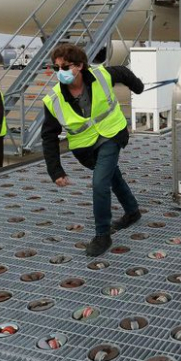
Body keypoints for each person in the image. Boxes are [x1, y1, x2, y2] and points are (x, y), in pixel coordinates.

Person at [41, 44, 144, 257]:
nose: (60, 72)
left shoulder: (101, 75)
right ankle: (132, 212)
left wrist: (138, 87)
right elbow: (49, 136)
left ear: (80, 65)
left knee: (100, 183)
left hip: (111, 134)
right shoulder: (53, 100)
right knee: (112, 176)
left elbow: (123, 72)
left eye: (65, 67)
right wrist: (55, 170)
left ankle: (102, 234)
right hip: (85, 148)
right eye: (56, 67)